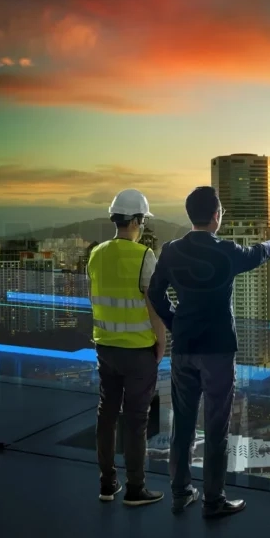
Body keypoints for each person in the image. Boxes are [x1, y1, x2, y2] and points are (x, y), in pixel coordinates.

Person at [148, 186, 270, 518]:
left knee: (182, 424)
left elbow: (155, 292)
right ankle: (213, 499)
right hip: (219, 351)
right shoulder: (226, 251)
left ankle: (180, 493)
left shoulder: (171, 251)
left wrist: (175, 322)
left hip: (184, 349)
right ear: (216, 216)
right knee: (216, 426)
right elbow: (257, 253)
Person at [87, 189, 169, 506]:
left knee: (106, 415)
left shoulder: (96, 254)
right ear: (135, 221)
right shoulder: (144, 256)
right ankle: (136, 489)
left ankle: (107, 485)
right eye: (143, 221)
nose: (144, 226)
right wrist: (161, 341)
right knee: (135, 420)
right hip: (138, 352)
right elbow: (153, 304)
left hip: (105, 348)